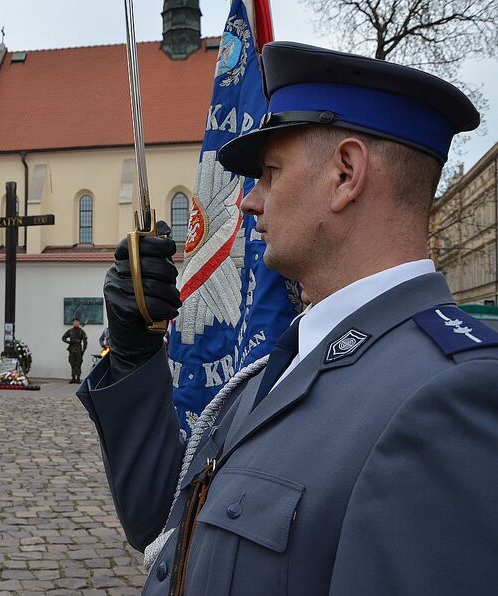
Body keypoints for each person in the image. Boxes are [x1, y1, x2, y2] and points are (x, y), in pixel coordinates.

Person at [77, 42, 498, 595]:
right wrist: (135, 353)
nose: (248, 201)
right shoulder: (289, 359)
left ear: (345, 174)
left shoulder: (449, 395)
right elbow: (165, 526)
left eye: (270, 173)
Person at [61, 317, 87, 383]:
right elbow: (63, 338)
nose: (75, 323)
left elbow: (85, 341)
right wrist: (69, 342)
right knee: (72, 364)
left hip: (78, 349)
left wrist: (83, 350)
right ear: (73, 323)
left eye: (77, 322)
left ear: (79, 323)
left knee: (78, 364)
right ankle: (73, 378)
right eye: (74, 322)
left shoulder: (81, 331)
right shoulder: (70, 331)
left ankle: (78, 378)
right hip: (71, 349)